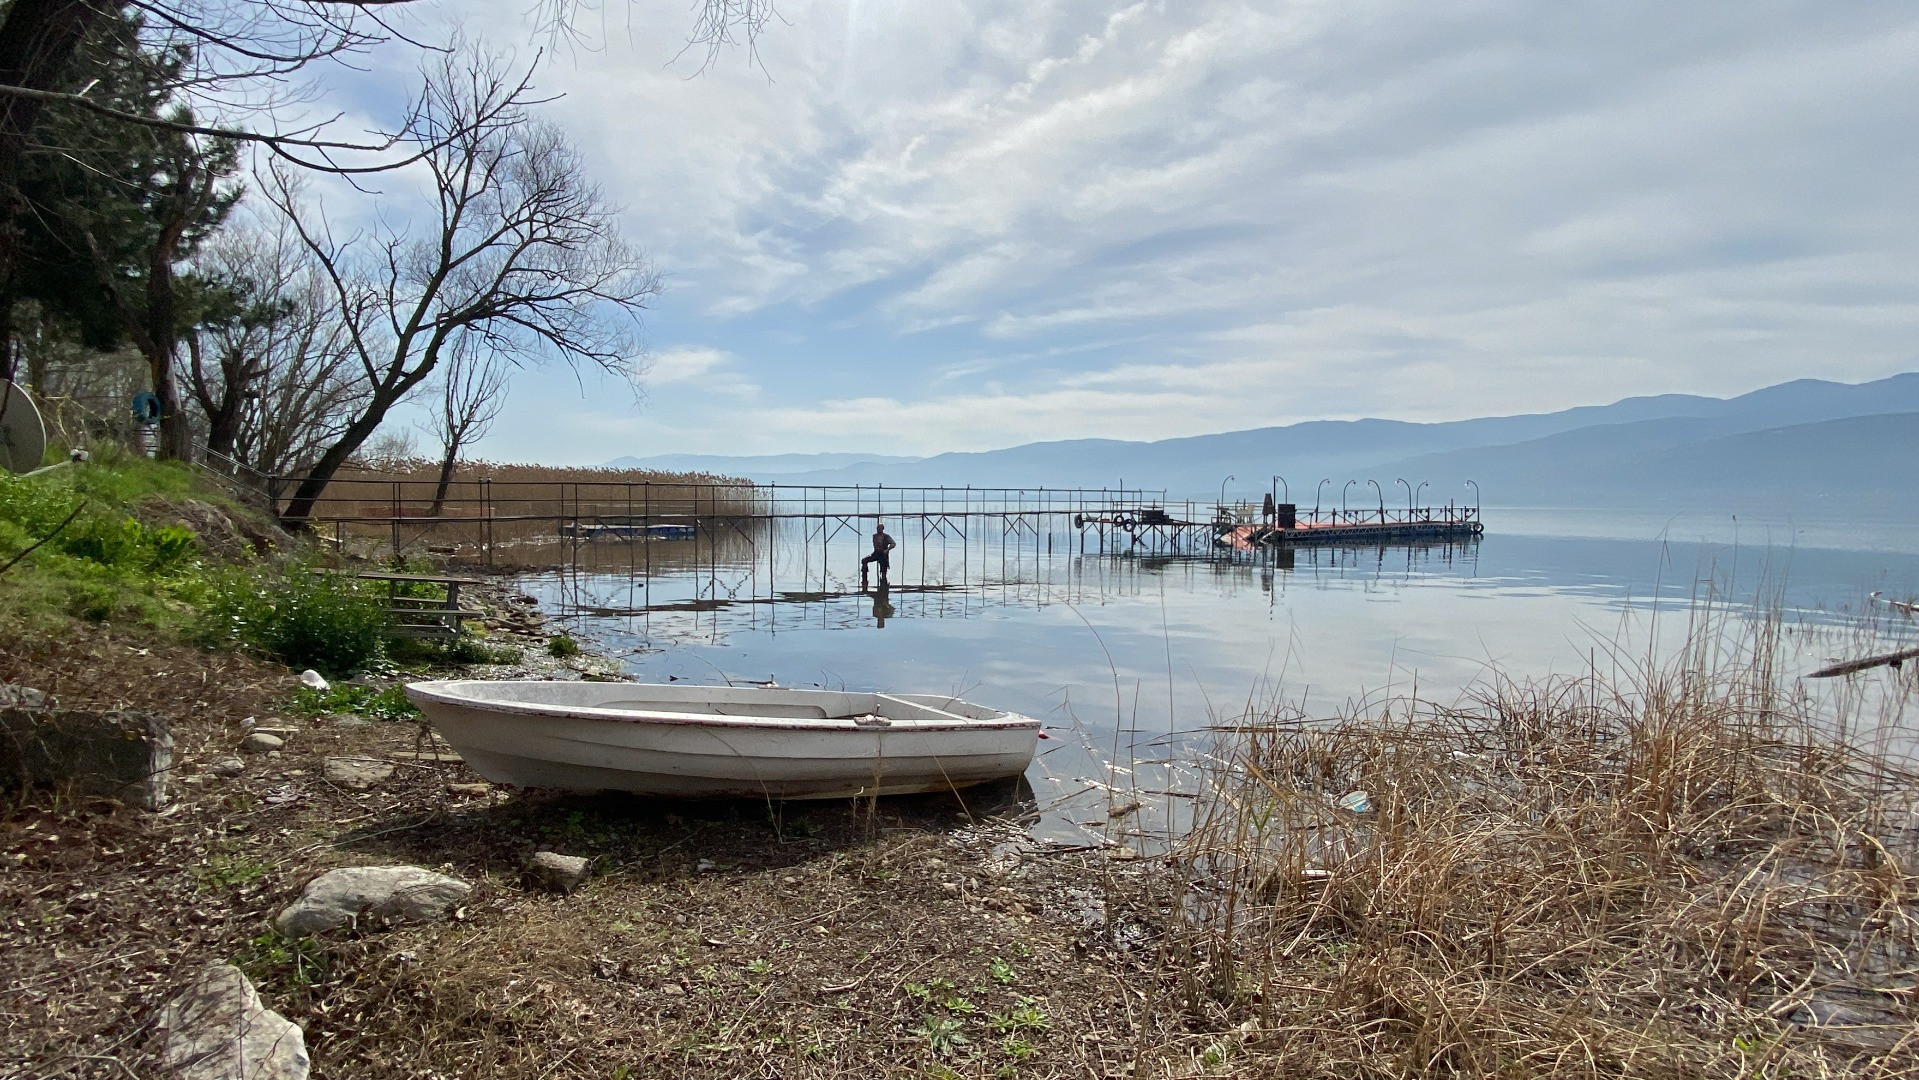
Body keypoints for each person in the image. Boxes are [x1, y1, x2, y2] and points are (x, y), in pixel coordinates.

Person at [859, 521, 896, 588]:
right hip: (876, 553)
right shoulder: (874, 536)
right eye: (877, 528)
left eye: (880, 528)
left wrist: (887, 550)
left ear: (882, 529)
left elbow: (893, 544)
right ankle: (864, 579)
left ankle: (883, 586)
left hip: (883, 554)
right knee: (864, 560)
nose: (878, 529)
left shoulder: (886, 536)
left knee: (883, 571)